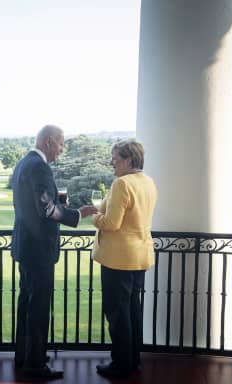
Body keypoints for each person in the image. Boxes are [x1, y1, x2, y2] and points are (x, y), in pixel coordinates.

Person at [11, 124, 97, 380]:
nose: (62, 149)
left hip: (25, 247)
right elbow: (47, 209)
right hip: (39, 251)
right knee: (38, 307)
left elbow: (35, 203)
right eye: (61, 143)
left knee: (27, 302)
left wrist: (57, 203)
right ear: (49, 141)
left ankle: (25, 356)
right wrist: (77, 214)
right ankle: (35, 366)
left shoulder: (23, 163)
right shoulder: (39, 167)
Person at [91, 139, 158, 378]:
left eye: (116, 159)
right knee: (132, 311)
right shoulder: (147, 181)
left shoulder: (122, 183)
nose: (113, 163)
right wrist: (104, 208)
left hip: (118, 259)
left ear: (129, 160)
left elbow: (111, 223)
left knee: (118, 315)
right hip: (139, 256)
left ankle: (120, 365)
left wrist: (94, 216)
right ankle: (133, 360)